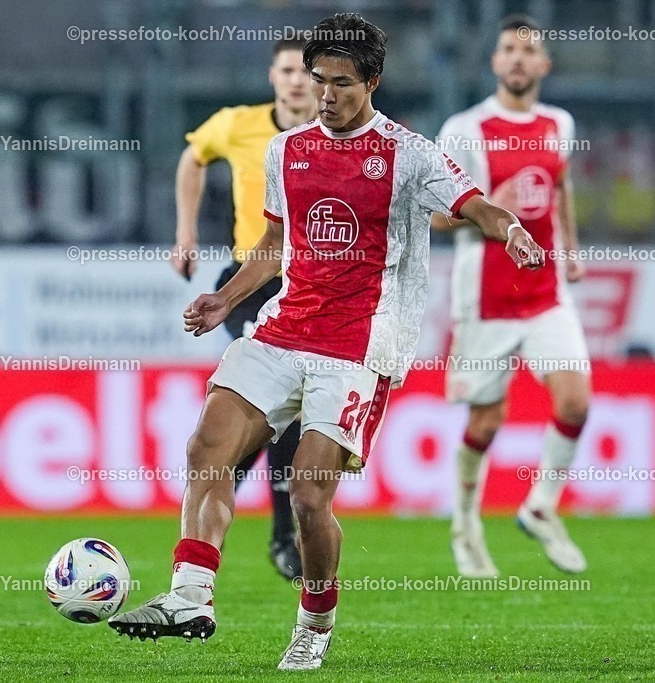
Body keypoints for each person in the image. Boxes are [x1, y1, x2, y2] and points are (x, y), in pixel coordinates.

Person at [110, 13, 543, 671]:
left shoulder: (409, 152)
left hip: (360, 345)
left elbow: (474, 203)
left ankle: (315, 621)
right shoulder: (287, 150)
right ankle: (190, 596)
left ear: (371, 81)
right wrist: (225, 299)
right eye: (319, 82)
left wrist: (507, 228)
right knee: (206, 446)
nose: (327, 95)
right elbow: (276, 243)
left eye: (342, 83)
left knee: (308, 494)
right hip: (285, 326)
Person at [432, 14, 591, 578]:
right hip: (486, 297)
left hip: (546, 293)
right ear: (495, 62)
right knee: (486, 422)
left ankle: (542, 505)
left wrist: (570, 248)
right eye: (508, 50)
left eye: (529, 51)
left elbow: (560, 186)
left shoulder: (559, 123)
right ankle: (466, 526)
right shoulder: (465, 129)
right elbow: (433, 216)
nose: (518, 59)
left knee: (574, 401)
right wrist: (488, 207)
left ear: (544, 64)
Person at [172, 38, 315, 580]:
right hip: (248, 284)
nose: (297, 81)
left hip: (307, 287)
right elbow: (193, 156)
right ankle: (265, 524)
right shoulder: (238, 124)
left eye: (306, 72)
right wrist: (185, 232)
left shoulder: (332, 137)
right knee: (273, 384)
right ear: (272, 76)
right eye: (287, 71)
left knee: (287, 411)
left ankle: (229, 488)